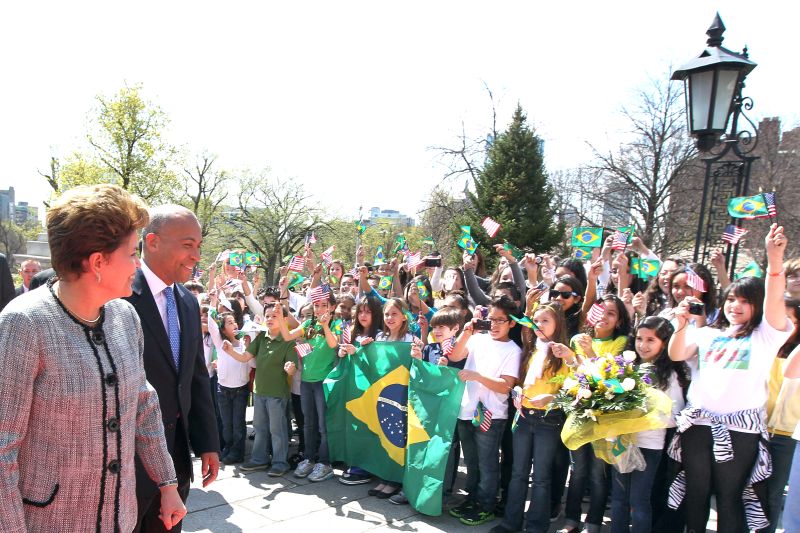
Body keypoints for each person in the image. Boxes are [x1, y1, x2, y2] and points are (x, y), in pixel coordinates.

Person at [0, 184, 185, 532]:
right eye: (132, 253)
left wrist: (167, 483)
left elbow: (143, 403)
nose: (138, 264)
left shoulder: (125, 317)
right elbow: (2, 448)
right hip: (49, 522)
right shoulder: (24, 323)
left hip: (120, 517)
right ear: (98, 261)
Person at [667, 224, 792, 532]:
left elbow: (775, 303)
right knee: (695, 495)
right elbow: (677, 353)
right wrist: (682, 324)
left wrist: (775, 262)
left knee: (728, 497)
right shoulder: (709, 332)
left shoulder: (765, 337)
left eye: (744, 301)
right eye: (731, 299)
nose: (735, 306)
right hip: (698, 424)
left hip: (740, 429)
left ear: (757, 306)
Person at [126, 204, 220, 533]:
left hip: (176, 459)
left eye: (198, 246)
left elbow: (195, 377)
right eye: (187, 245)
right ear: (152, 242)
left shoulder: (188, 302)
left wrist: (207, 441)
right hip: (128, 464)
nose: (196, 256)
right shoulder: (119, 297)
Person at [491, 302, 571, 533]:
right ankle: (511, 522)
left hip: (549, 419)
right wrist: (517, 391)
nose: (539, 325)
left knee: (541, 477)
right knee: (518, 472)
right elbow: (521, 381)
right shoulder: (532, 348)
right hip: (524, 415)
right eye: (536, 320)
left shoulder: (563, 352)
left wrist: (551, 399)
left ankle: (536, 526)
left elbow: (572, 389)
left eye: (545, 320)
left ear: (558, 323)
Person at [448, 296, 522, 527]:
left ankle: (486, 504)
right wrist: (467, 332)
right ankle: (472, 499)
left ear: (512, 323)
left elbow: (506, 385)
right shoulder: (478, 339)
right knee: (471, 461)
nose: (495, 324)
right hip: (466, 410)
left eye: (501, 320)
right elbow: (455, 356)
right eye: (491, 319)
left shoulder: (513, 350)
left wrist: (478, 376)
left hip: (492, 415)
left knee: (488, 464)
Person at [610, 317, 686, 533]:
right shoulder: (625, 367)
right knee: (618, 498)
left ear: (665, 342)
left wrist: (646, 415)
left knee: (639, 500)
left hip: (649, 445)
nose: (643, 345)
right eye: (640, 339)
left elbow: (675, 414)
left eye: (651, 340)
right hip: (621, 441)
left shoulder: (669, 375)